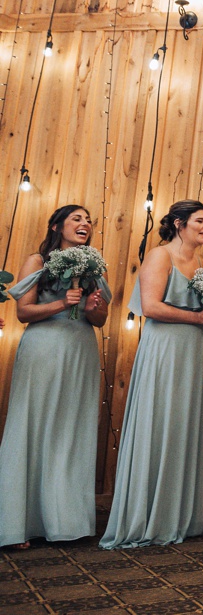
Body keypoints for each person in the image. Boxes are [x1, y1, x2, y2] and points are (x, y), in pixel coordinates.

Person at [101, 200, 203, 549]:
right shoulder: (160, 256)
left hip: (191, 350)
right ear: (179, 223)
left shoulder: (202, 263)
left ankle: (174, 515)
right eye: (200, 221)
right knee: (158, 422)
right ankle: (145, 517)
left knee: (180, 425)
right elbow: (152, 306)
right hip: (164, 349)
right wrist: (198, 317)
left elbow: (198, 313)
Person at [0, 205, 110, 549]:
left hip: (81, 349)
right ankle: (18, 522)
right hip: (44, 348)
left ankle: (66, 520)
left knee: (70, 429)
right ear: (56, 225)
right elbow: (23, 311)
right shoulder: (38, 260)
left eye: (88, 219)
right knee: (33, 424)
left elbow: (101, 319)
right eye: (77, 218)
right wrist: (63, 303)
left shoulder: (93, 263)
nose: (85, 223)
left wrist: (94, 307)